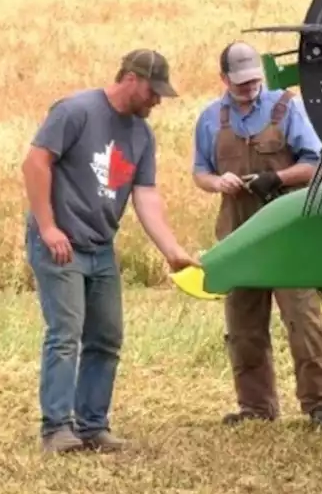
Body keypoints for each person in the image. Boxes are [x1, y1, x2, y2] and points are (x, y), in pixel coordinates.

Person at [21, 48, 200, 454]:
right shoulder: (76, 111)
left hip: (100, 246)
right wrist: (48, 228)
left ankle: (92, 426)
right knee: (65, 334)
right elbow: (35, 164)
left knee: (106, 337)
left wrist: (172, 250)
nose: (157, 101)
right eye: (153, 92)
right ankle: (56, 429)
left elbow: (146, 195)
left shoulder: (141, 135)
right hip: (60, 244)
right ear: (130, 79)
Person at [191, 40, 322, 429]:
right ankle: (256, 407)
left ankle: (320, 405)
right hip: (239, 234)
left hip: (289, 234)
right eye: (240, 82)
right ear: (223, 79)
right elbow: (200, 173)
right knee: (243, 326)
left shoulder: (287, 108)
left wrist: (275, 178)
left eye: (254, 79)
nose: (248, 87)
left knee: (304, 322)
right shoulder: (210, 119)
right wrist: (217, 182)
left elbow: (316, 164)